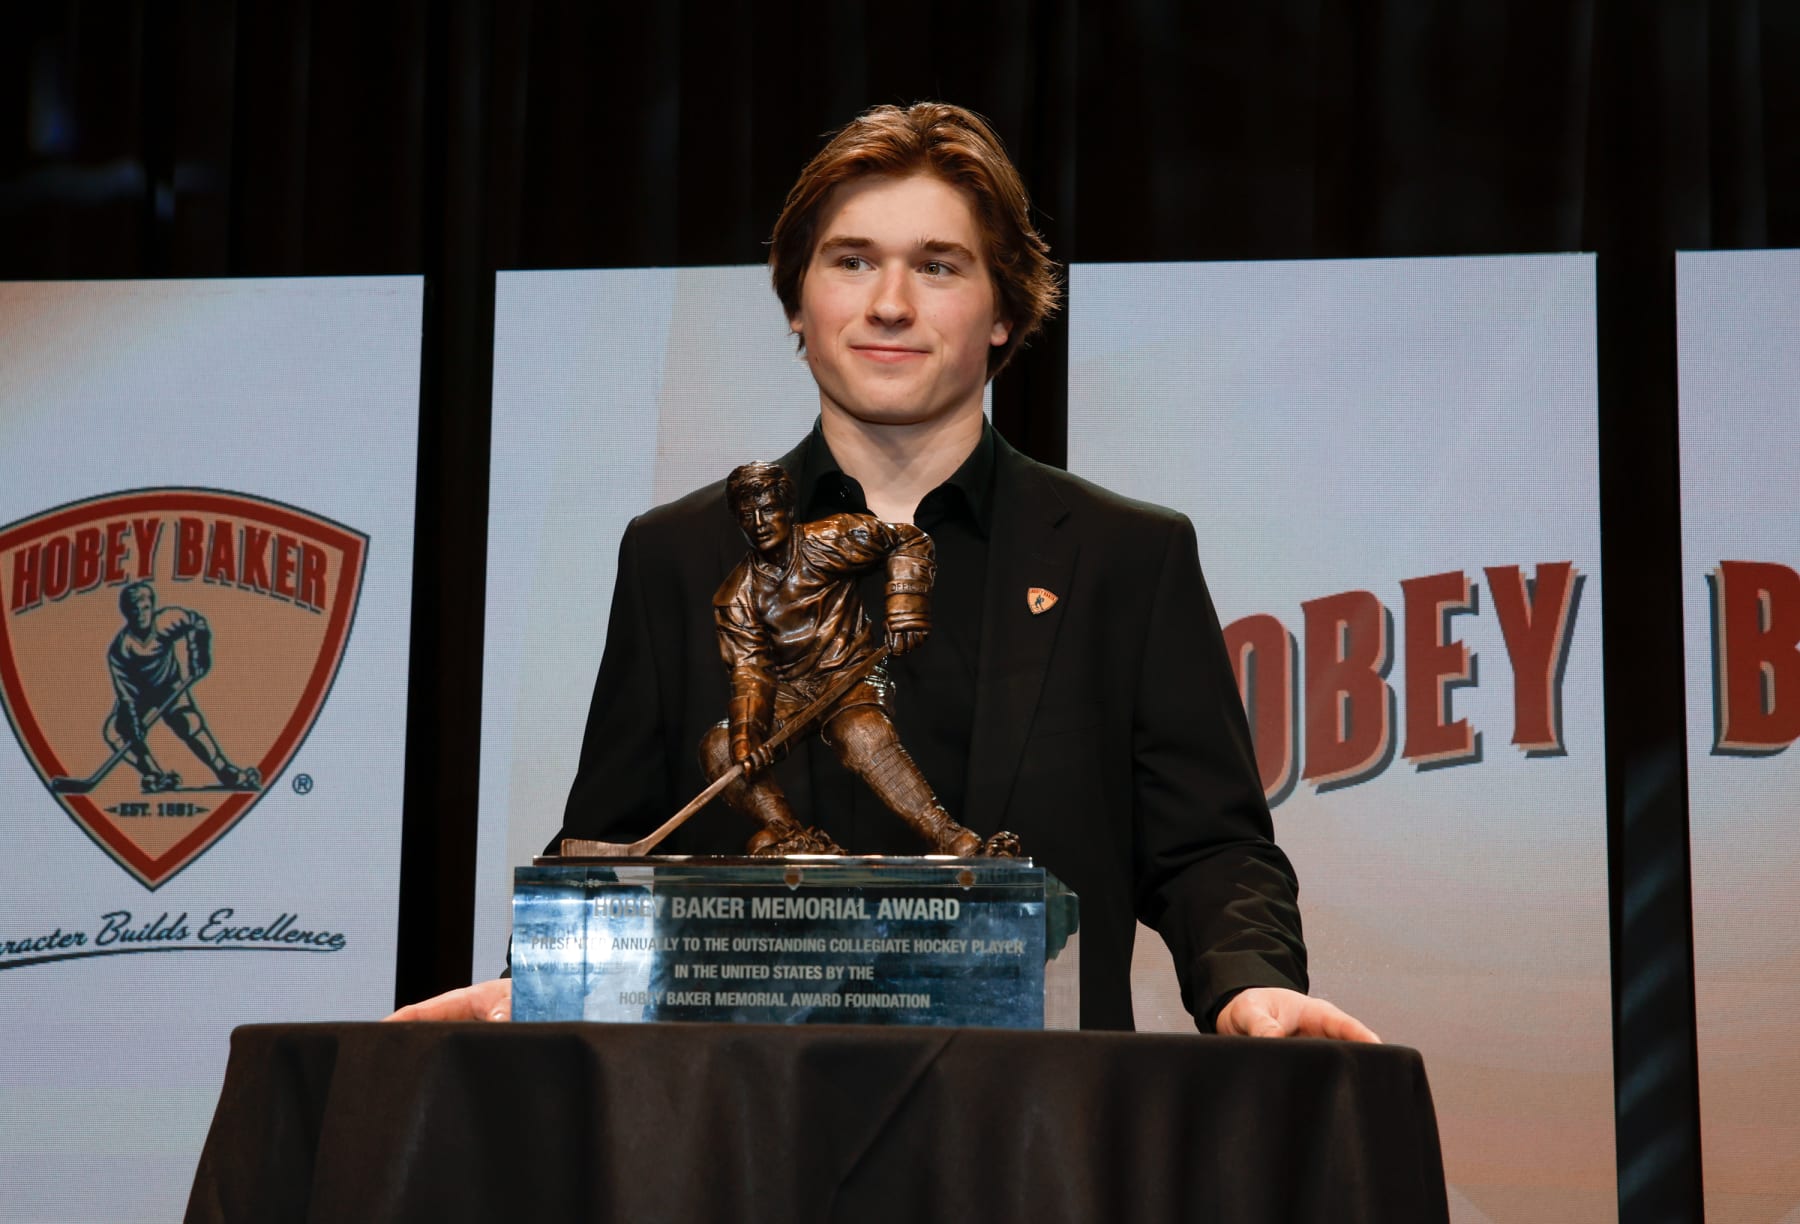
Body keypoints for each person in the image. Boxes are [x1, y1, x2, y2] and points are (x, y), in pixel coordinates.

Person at [392, 101, 1375, 1041]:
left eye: (938, 267)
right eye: (852, 261)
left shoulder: (1127, 558)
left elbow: (1210, 851)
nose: (891, 304)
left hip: (1032, 1137)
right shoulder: (678, 555)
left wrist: (1254, 986)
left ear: (1003, 311)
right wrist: (536, 987)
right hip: (738, 1131)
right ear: (796, 301)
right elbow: (612, 843)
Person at [701, 459, 1019, 858]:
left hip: (850, 674)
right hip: (789, 691)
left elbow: (907, 539)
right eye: (748, 514)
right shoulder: (735, 595)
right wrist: (748, 736)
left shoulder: (830, 538)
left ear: (788, 509)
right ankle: (787, 835)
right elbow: (750, 670)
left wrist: (907, 607)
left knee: (861, 733)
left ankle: (949, 835)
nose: (760, 521)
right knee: (721, 746)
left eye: (769, 508)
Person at [103, 581, 260, 793]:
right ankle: (154, 774)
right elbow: (125, 693)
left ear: (153, 606)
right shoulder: (120, 649)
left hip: (170, 686)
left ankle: (227, 772)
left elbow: (196, 623)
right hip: (139, 696)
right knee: (114, 731)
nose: (141, 614)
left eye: (145, 608)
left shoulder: (167, 620)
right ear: (126, 612)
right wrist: (132, 722)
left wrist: (199, 656)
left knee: (189, 724)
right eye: (134, 609)